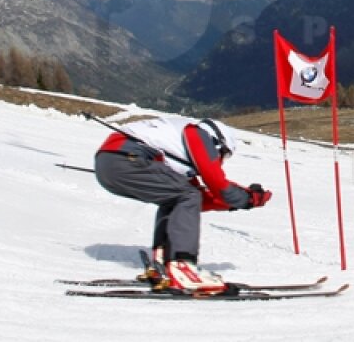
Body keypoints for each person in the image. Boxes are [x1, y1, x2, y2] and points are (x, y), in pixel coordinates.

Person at [94, 116, 272, 294]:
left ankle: (163, 262)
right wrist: (248, 198)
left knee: (176, 197)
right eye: (223, 155)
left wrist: (239, 202)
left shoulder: (181, 147)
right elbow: (217, 184)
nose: (220, 161)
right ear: (218, 143)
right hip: (128, 158)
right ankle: (182, 267)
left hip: (110, 162)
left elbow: (195, 202)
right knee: (187, 195)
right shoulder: (198, 134)